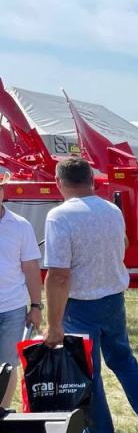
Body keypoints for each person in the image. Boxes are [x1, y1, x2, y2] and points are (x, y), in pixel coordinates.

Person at [42, 156, 138, 433]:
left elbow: (58, 275)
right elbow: (121, 243)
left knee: (87, 374)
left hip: (80, 304)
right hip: (112, 299)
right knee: (123, 361)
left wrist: (53, 323)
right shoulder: (111, 210)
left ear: (59, 183)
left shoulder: (59, 217)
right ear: (91, 180)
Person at [0, 173, 43, 410]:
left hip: (12, 308)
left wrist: (36, 306)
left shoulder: (20, 225)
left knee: (7, 364)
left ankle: (3, 418)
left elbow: (30, 267)